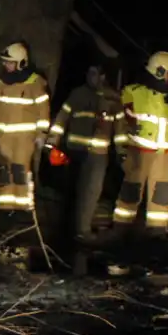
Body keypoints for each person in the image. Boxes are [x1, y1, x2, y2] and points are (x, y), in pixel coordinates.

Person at [110, 51, 168, 240]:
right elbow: (120, 121)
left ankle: (157, 233)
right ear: (159, 71)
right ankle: (120, 231)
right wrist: (122, 150)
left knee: (161, 195)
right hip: (140, 152)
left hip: (165, 155)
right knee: (130, 191)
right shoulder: (133, 93)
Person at [47, 59, 123, 246]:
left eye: (95, 73)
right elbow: (62, 119)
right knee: (72, 191)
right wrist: (52, 141)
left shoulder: (113, 99)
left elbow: (120, 129)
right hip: (75, 151)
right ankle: (65, 231)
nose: (91, 77)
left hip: (98, 154)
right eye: (89, 73)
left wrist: (122, 150)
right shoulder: (78, 94)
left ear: (104, 76)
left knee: (91, 193)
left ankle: (83, 231)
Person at [0, 41, 52, 216]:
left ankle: (22, 207)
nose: (6, 65)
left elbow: (43, 109)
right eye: (5, 61)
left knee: (19, 170)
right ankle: (6, 207)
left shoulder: (35, 82)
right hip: (3, 137)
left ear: (21, 62)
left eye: (10, 62)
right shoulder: (3, 82)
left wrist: (42, 133)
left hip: (24, 138)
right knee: (5, 170)